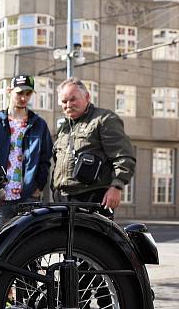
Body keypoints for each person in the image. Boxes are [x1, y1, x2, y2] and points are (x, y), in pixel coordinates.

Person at [0, 75, 53, 233]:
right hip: (1, 198)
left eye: (28, 94)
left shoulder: (39, 124)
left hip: (28, 197)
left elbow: (45, 158)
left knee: (30, 247)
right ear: (9, 91)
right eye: (19, 93)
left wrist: (38, 186)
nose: (23, 98)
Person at [52, 77, 135, 212]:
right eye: (64, 101)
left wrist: (116, 187)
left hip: (92, 197)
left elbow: (123, 156)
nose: (68, 105)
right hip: (62, 198)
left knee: (89, 234)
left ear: (87, 97)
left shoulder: (104, 119)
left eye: (73, 99)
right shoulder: (65, 126)